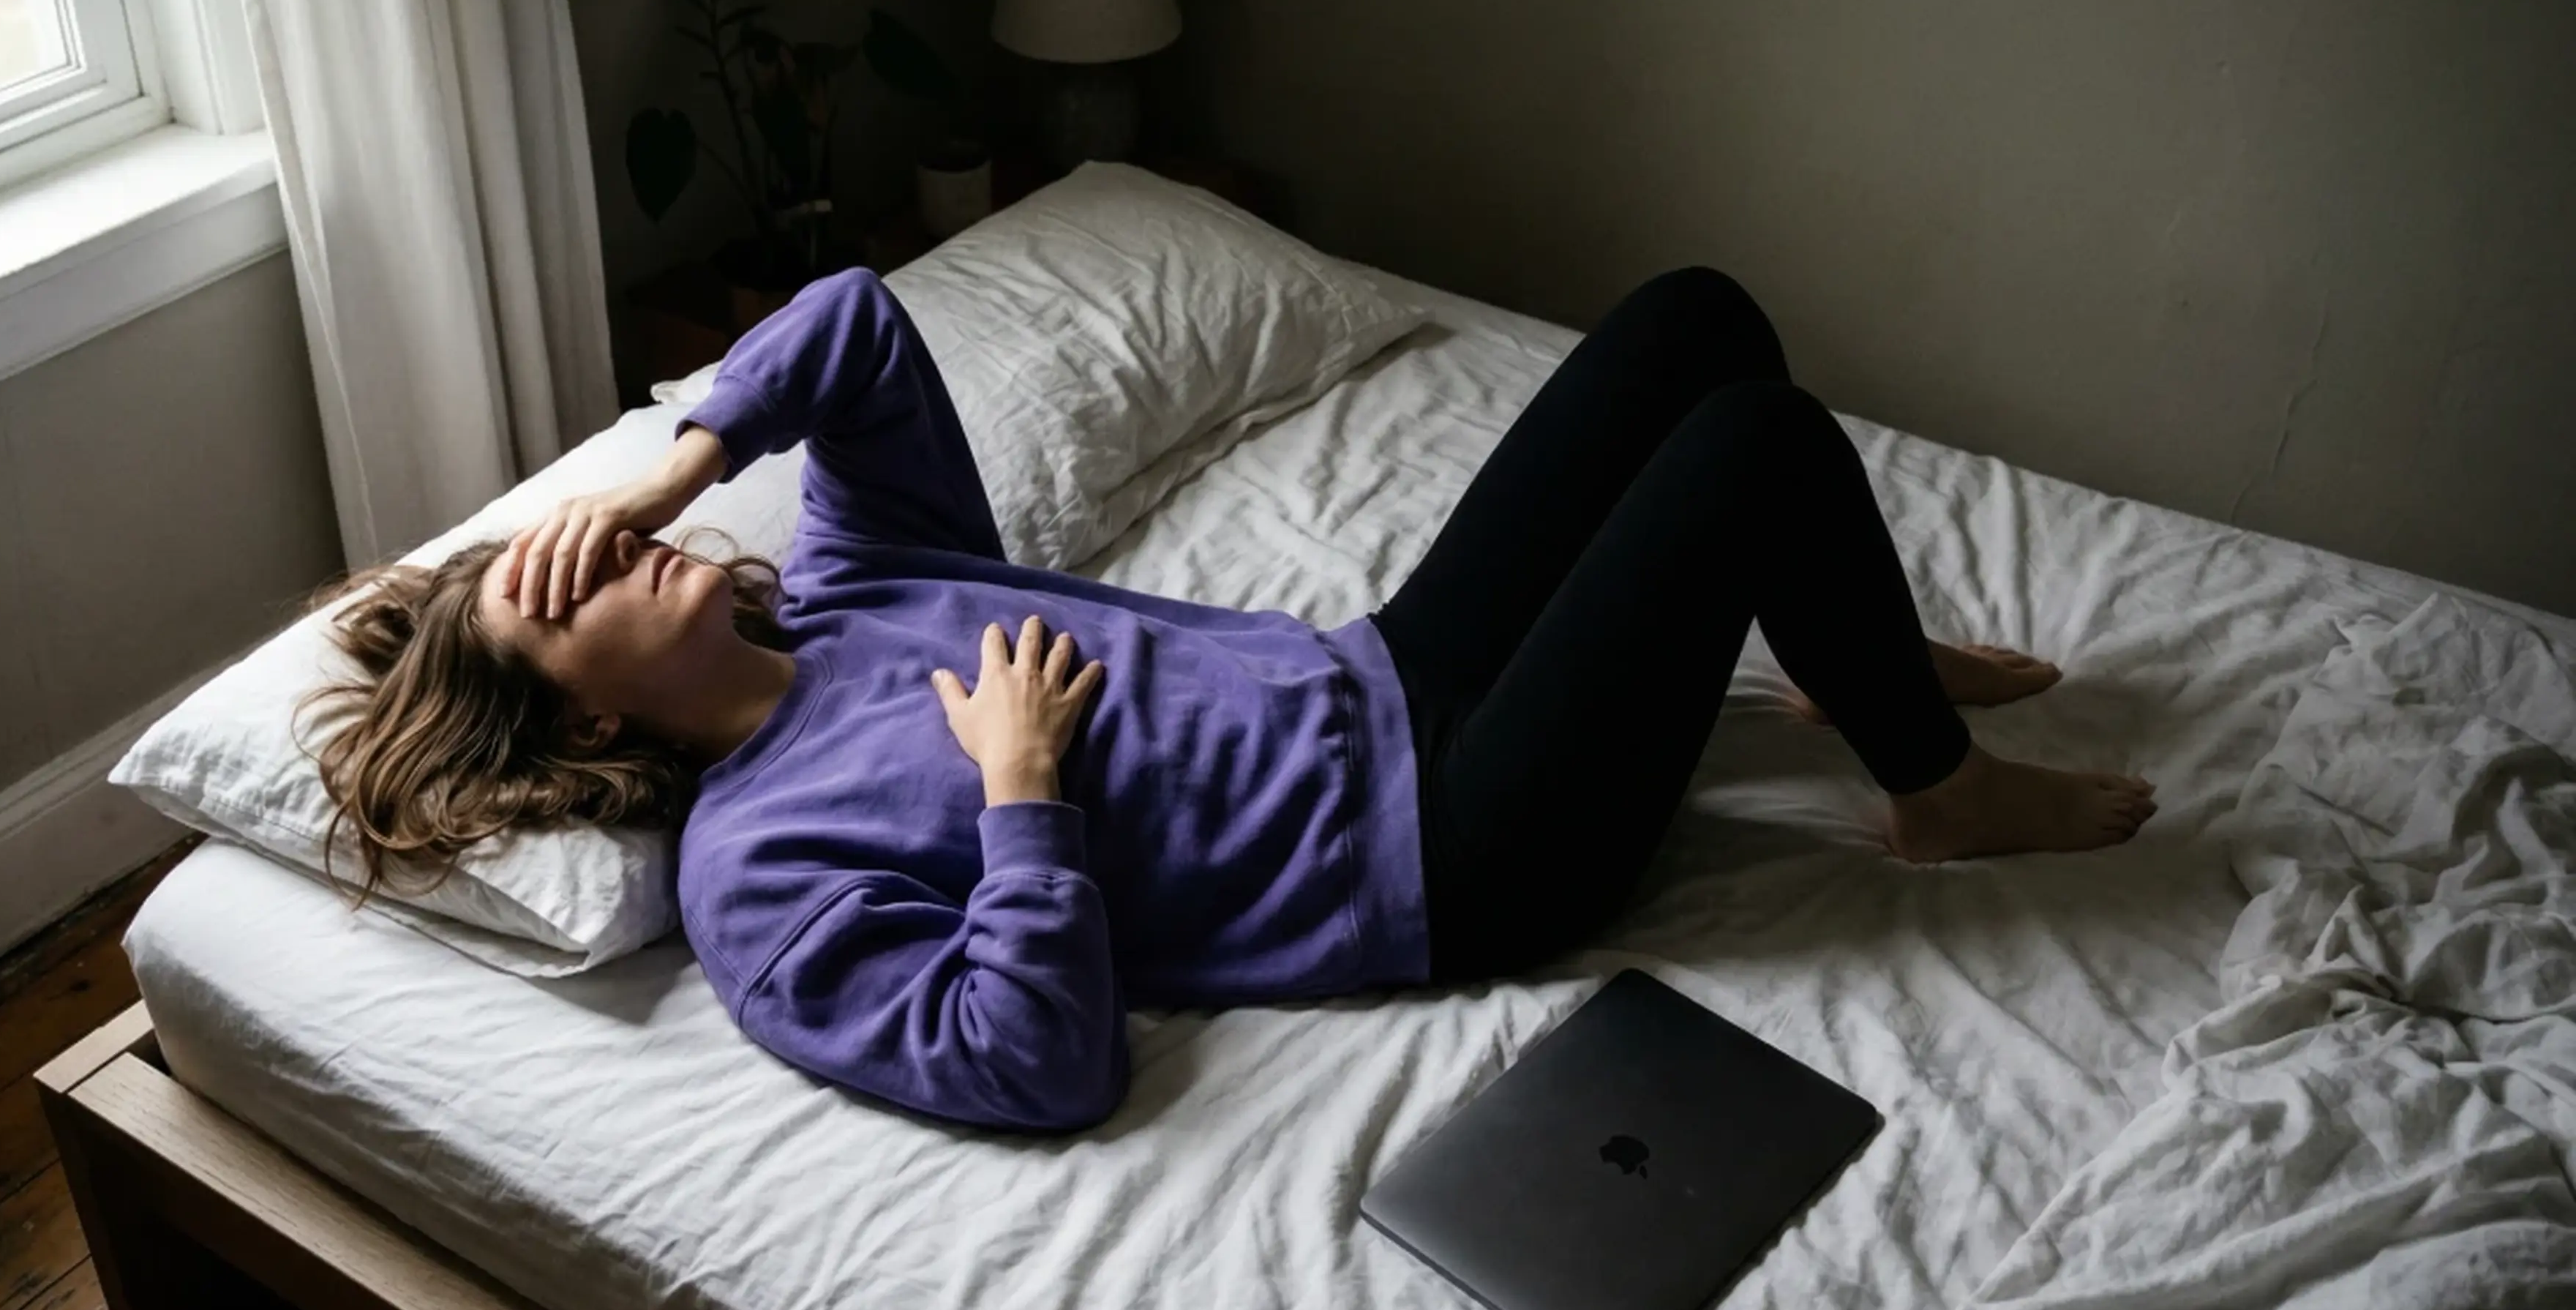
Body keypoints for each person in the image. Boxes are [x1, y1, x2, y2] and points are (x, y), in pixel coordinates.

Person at [309, 267, 2154, 1131]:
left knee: (1698, 327)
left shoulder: (864, 587)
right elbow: (1020, 1065)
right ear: (586, 729)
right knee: (1753, 449)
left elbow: (858, 324)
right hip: (1456, 852)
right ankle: (1939, 787)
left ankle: (1860, 670)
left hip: (1389, 676)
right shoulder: (753, 875)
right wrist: (1025, 800)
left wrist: (669, 464)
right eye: (567, 598)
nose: (603, 552)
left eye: (581, 539)